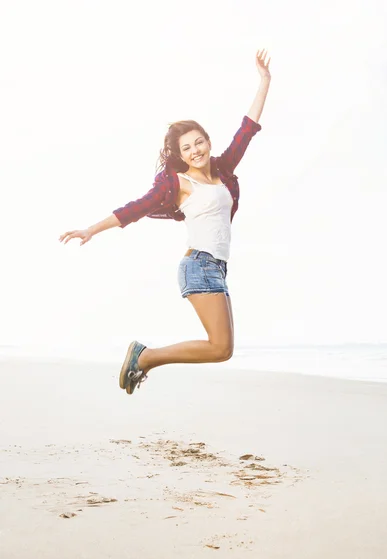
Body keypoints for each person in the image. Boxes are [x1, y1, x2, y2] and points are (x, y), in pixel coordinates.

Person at [60, 49, 271, 395]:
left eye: (199, 142)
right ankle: (144, 358)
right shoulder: (177, 184)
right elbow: (136, 208)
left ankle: (144, 358)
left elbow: (246, 131)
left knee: (223, 349)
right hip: (199, 264)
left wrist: (264, 81)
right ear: (180, 154)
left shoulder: (223, 170)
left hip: (216, 266)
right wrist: (91, 229)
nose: (195, 151)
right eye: (187, 148)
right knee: (220, 348)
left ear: (207, 141)